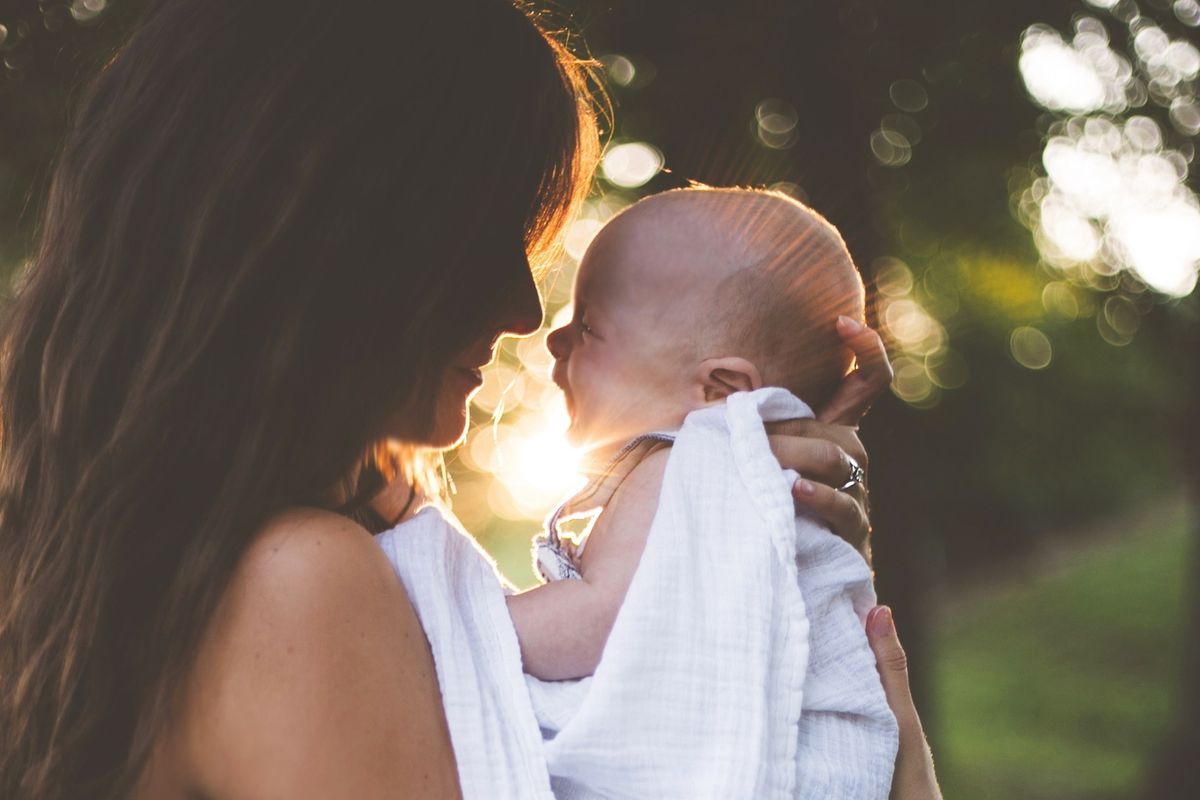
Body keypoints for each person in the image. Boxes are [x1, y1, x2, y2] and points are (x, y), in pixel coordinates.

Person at [0, 1, 942, 798]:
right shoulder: (298, 582)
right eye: (487, 237)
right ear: (333, 237)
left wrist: (735, 511)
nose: (525, 310)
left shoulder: (131, 563)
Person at [502, 187, 896, 798]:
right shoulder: (751, 477)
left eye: (587, 326)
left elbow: (598, 622)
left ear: (718, 391)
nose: (554, 341)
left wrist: (456, 614)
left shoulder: (684, 463)